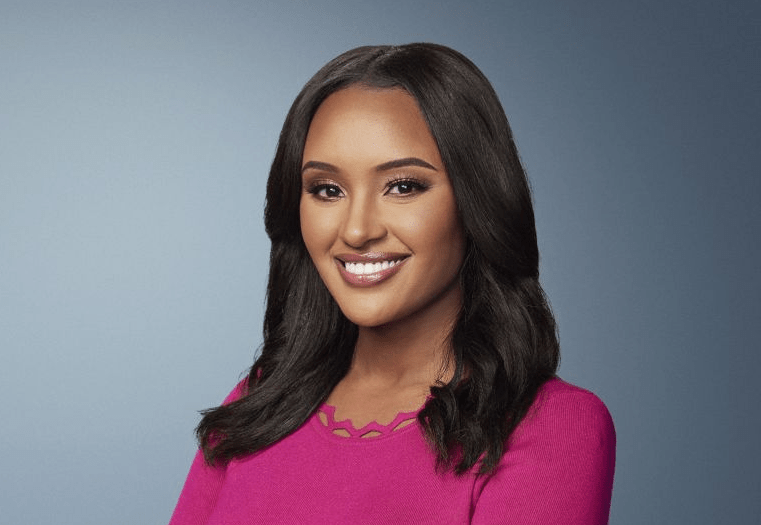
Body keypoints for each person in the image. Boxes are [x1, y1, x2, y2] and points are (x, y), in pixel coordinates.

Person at [169, 43, 615, 524]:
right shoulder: (258, 404)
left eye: (403, 186)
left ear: (476, 200)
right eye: (327, 190)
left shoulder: (553, 426)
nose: (357, 230)